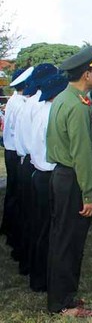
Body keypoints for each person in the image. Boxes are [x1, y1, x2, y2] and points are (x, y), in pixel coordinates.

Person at [46, 45, 92, 317]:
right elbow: (81, 153)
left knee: (62, 239)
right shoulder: (78, 106)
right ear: (86, 74)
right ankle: (62, 304)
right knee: (69, 242)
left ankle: (63, 295)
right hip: (74, 178)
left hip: (62, 175)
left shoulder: (62, 99)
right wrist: (88, 194)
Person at [15, 63, 57, 275]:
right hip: (37, 164)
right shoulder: (40, 106)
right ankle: (36, 269)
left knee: (31, 220)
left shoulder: (30, 102)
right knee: (39, 223)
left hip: (29, 162)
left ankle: (28, 264)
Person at [28, 73, 68, 292]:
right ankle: (43, 279)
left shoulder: (42, 110)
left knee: (42, 228)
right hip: (49, 173)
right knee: (50, 230)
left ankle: (39, 276)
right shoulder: (51, 112)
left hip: (40, 173)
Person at [0, 66, 33, 255]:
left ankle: (7, 226)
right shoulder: (21, 103)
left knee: (13, 192)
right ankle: (12, 231)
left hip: (11, 150)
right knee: (17, 194)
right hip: (17, 152)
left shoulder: (14, 100)